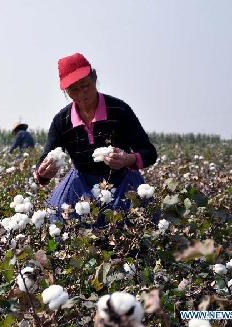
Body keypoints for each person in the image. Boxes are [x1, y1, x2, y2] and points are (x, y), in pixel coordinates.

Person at [34, 53, 157, 226]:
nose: (81, 94)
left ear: (95, 77)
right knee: (60, 225)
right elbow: (44, 161)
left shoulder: (119, 110)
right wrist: (43, 172)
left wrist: (127, 159)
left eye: (85, 85)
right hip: (79, 185)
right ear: (66, 91)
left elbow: (149, 152)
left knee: (133, 227)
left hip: (122, 182)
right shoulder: (62, 121)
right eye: (73, 90)